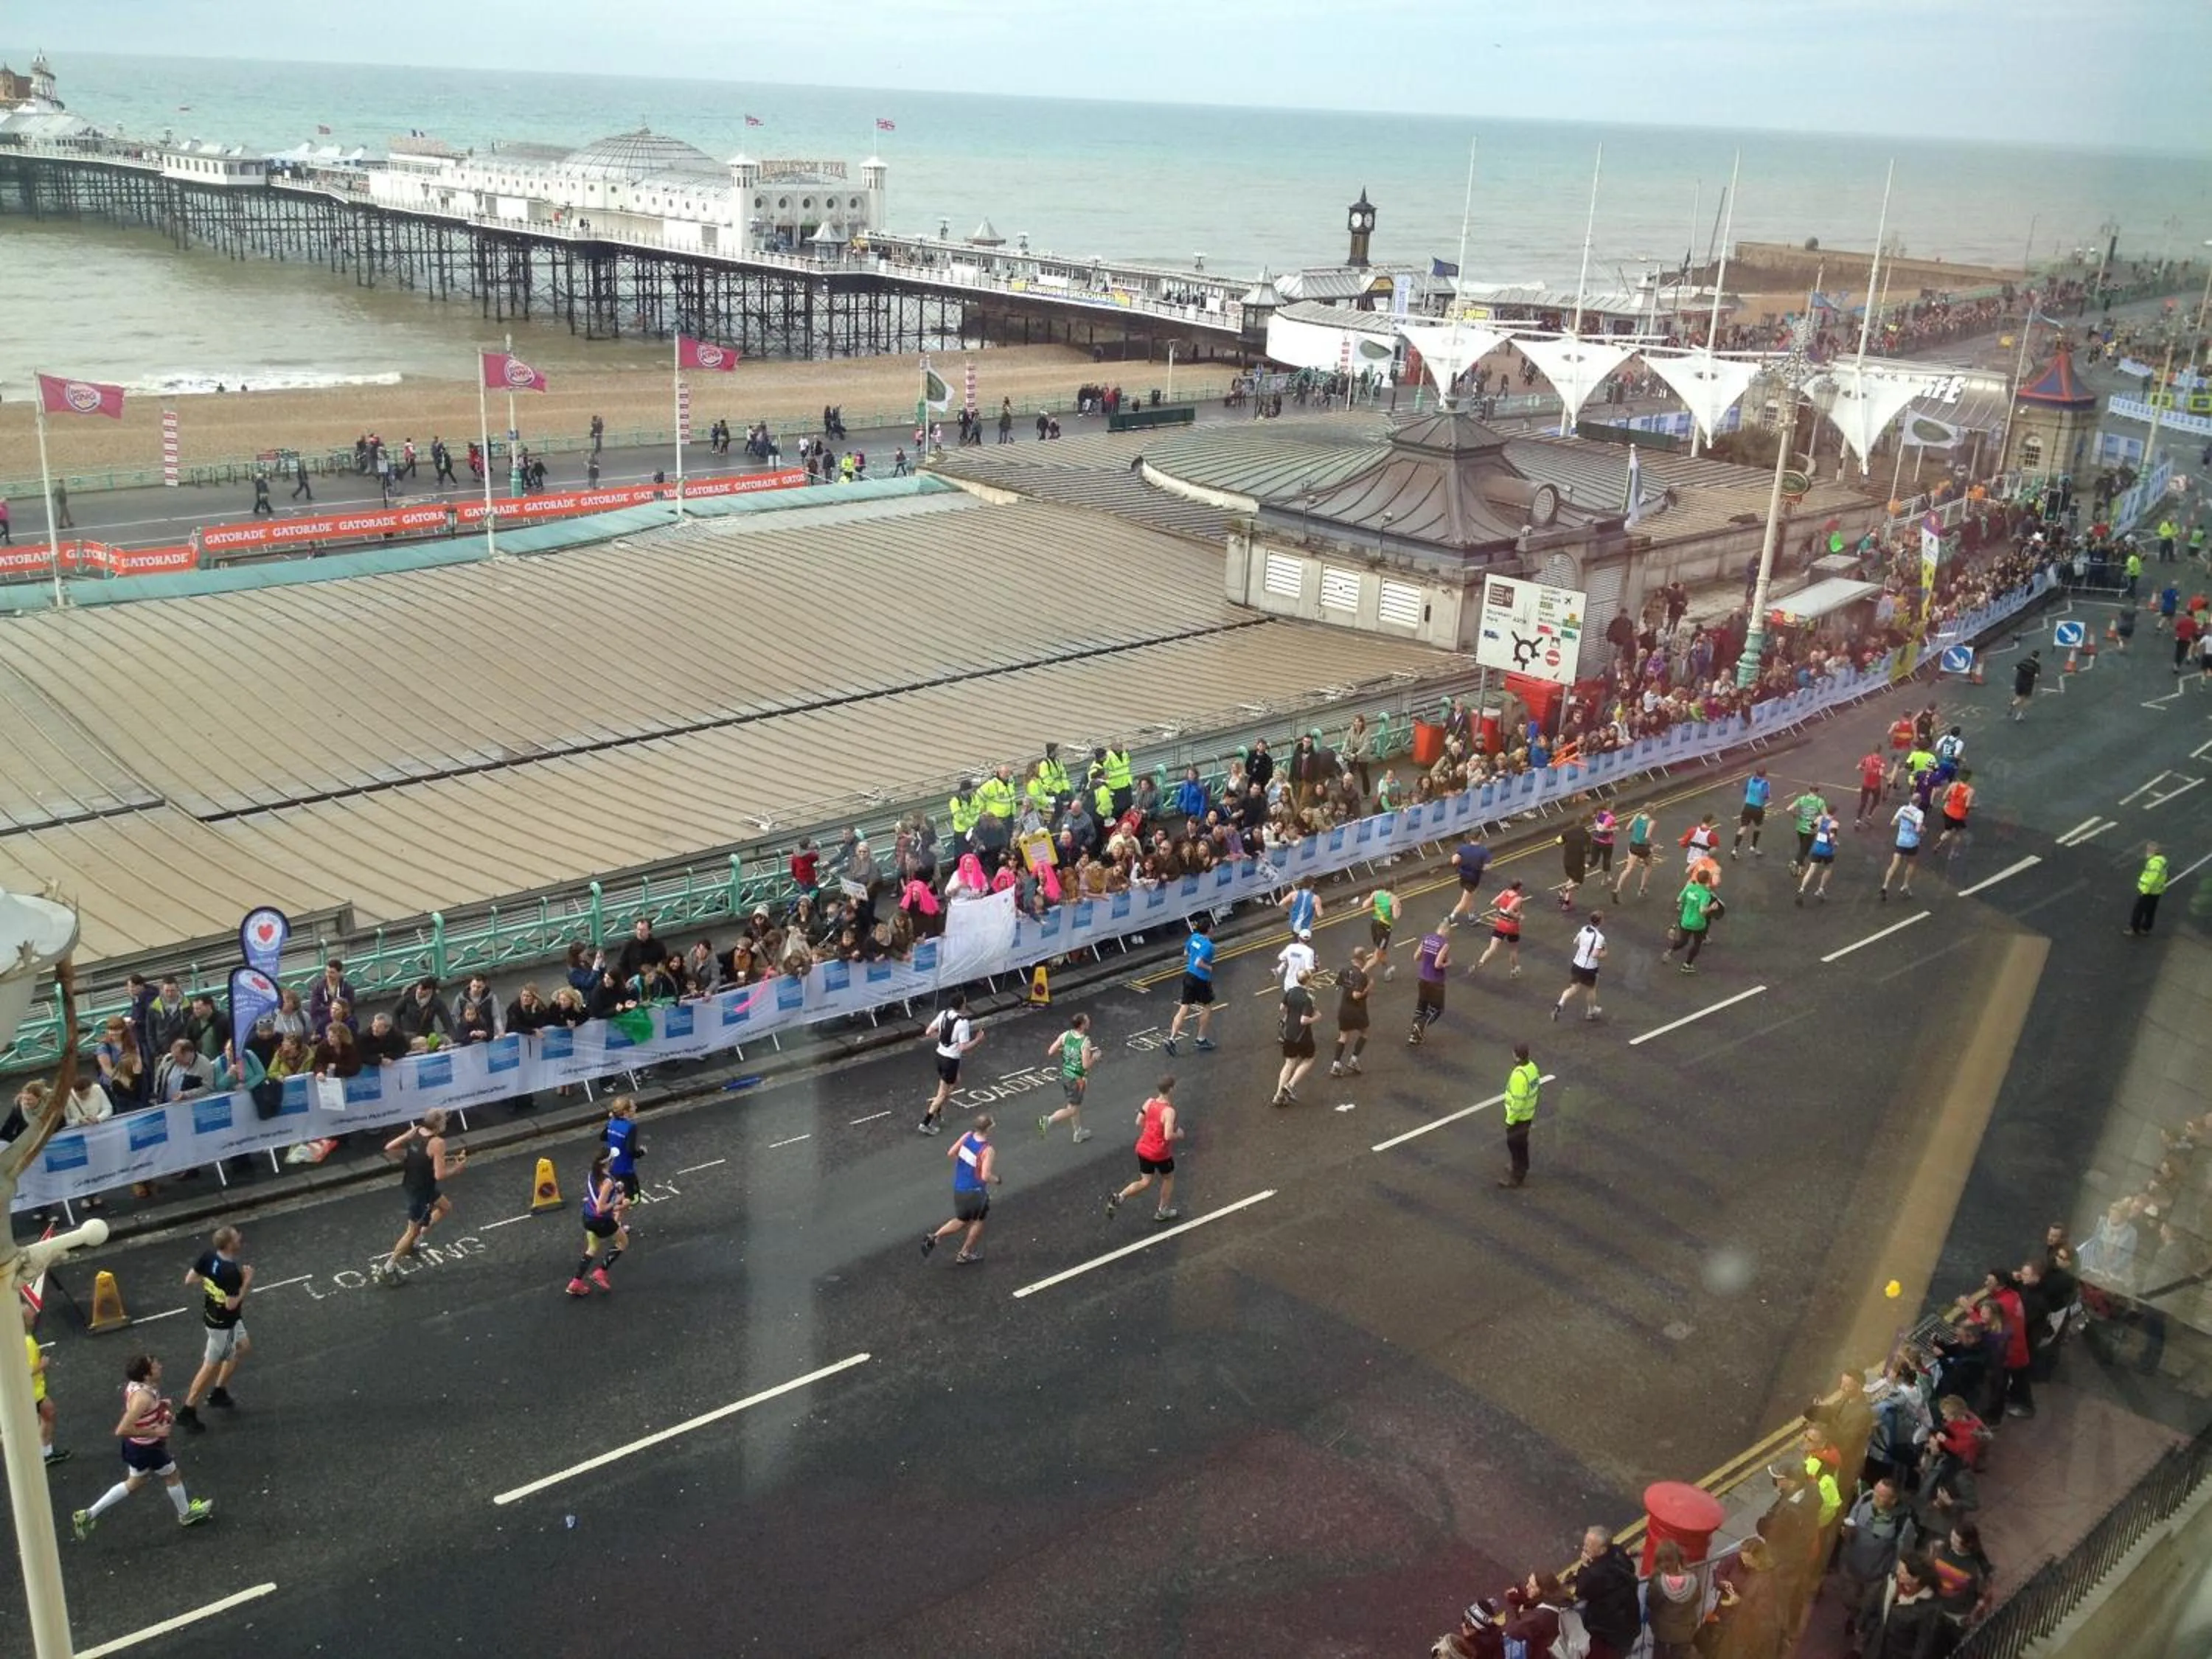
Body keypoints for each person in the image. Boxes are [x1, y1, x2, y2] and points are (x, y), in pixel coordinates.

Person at [71, 1355, 215, 1538]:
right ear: (147, 1375)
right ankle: (186, 1514)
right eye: (155, 1366)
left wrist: (161, 1408)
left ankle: (89, 1514)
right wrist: (157, 1432)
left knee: (135, 1482)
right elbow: (122, 1429)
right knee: (172, 1475)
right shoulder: (143, 1398)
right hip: (148, 1448)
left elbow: (142, 1415)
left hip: (136, 1448)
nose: (160, 1366)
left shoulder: (138, 1387)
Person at [369, 1110, 465, 1284]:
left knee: (445, 1207)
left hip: (413, 1184)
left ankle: (415, 1243)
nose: (446, 1122)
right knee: (411, 1231)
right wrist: (457, 1169)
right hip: (421, 1193)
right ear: (437, 1124)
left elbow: (389, 1148)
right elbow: (440, 1174)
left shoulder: (417, 1132)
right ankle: (388, 1269)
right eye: (444, 1119)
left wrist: (406, 1136)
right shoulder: (438, 1142)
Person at [175, 1225, 251, 1434]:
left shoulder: (209, 1257)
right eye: (237, 1237)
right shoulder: (231, 1273)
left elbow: (190, 1279)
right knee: (210, 1366)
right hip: (223, 1324)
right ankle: (188, 1409)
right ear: (229, 1245)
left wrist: (211, 1283)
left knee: (243, 1347)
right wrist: (246, 1281)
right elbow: (231, 1304)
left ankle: (219, 1392)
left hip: (218, 1317)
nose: (240, 1238)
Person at [922, 1113, 998, 1264]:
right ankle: (964, 1253)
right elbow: (985, 1176)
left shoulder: (967, 1136)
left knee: (962, 1220)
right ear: (988, 1129)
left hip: (960, 1188)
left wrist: (967, 1164)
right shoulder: (988, 1150)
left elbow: (951, 1153)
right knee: (978, 1221)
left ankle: (935, 1236)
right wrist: (998, 1180)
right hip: (976, 1192)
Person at [1105, 1076, 1183, 1222]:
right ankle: (1163, 1211)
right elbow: (1168, 1135)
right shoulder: (1169, 1111)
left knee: (1145, 1181)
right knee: (1168, 1178)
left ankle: (1120, 1197)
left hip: (1143, 1148)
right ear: (1171, 1089)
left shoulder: (1149, 1102)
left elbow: (1139, 1121)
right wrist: (1178, 1134)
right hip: (1160, 1153)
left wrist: (1151, 1130)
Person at [1569, 1526, 1641, 1659]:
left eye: (1589, 1545)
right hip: (1630, 1624)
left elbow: (1581, 1590)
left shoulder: (1595, 1574)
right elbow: (1631, 1567)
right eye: (1585, 1543)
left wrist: (1584, 1566)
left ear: (1602, 1550)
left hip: (1608, 1633)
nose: (1585, 1548)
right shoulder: (1618, 1551)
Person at [566, 1150, 630, 1296]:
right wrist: (618, 1201)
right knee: (623, 1242)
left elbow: (595, 1195)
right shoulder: (607, 1182)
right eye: (613, 1159)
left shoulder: (593, 1174)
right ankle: (600, 1272)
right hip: (601, 1221)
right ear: (609, 1162)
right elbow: (601, 1208)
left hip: (587, 1218)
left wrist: (616, 1191)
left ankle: (575, 1283)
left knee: (593, 1247)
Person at [919, 995, 981, 1135]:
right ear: (962, 1006)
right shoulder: (963, 1023)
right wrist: (978, 1040)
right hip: (950, 1061)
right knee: (942, 1094)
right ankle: (926, 1122)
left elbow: (928, 1032)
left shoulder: (943, 1014)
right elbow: (963, 1047)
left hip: (940, 1056)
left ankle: (937, 1109)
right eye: (965, 1002)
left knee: (955, 1081)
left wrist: (942, 1038)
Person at [1037, 1012, 1098, 1143]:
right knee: (1073, 1109)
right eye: (1087, 1020)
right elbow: (1086, 1065)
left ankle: (1078, 1132)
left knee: (1072, 1105)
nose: (1089, 1021)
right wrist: (1095, 1057)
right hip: (1077, 1079)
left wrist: (1066, 1051)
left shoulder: (1065, 1035)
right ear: (1082, 1025)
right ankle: (1048, 1120)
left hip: (1066, 1075)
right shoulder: (1085, 1042)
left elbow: (1051, 1051)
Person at [1162, 917, 1218, 1054]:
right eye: (1212, 926)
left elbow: (1186, 953)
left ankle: (1172, 1039)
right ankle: (1201, 1039)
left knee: (1184, 1008)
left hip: (1189, 976)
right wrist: (1208, 968)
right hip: (1201, 979)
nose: (1213, 928)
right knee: (1207, 1006)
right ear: (1209, 929)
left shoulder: (1194, 938)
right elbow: (1199, 962)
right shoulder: (1208, 945)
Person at [22, 1301, 66, 1465]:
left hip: (33, 1390)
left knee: (48, 1415)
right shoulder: (26, 1343)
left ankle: (45, 1453)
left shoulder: (22, 1338)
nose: (34, 1316)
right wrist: (42, 1365)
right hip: (32, 1392)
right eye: (30, 1315)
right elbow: (22, 1373)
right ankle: (45, 1454)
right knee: (48, 1415)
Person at [1644, 1539, 1703, 1659]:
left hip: (1663, 1631)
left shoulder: (1658, 1583)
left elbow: (1651, 1602)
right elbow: (1698, 1598)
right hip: (1685, 1630)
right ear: (1679, 1559)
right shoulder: (1692, 1580)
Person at [1274, 969, 1319, 1106]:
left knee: (1289, 1063)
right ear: (1309, 980)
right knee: (1309, 1058)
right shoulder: (1308, 998)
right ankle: (1290, 1085)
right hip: (1302, 1035)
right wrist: (1316, 1018)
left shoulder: (1291, 991)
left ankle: (1278, 1096)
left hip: (1288, 1033)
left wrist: (1292, 1011)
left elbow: (1282, 1007)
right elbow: (1304, 1020)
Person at [1660, 869, 1719, 973]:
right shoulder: (1705, 894)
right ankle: (1687, 965)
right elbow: (1702, 910)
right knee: (1697, 944)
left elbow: (1679, 899)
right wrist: (1712, 908)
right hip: (1698, 923)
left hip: (1685, 920)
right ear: (1707, 880)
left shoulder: (1689, 887)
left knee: (1683, 941)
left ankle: (1670, 951)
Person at [1554, 911, 1606, 1022]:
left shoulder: (1584, 929)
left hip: (1577, 964)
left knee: (1574, 988)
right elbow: (1595, 955)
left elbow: (1575, 941)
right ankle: (1591, 1011)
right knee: (1591, 989)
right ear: (1600, 921)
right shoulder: (1599, 937)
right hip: (1589, 968)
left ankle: (1560, 1003)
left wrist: (1584, 948)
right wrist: (1604, 953)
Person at [1500, 1043, 1540, 1188]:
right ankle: (1522, 1166)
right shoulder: (1532, 1068)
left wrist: (1510, 1120)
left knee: (1515, 1145)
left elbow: (1518, 1102)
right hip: (1528, 1115)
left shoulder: (1518, 1076)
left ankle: (1517, 1176)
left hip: (1518, 1118)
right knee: (1522, 1143)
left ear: (1516, 1056)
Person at [1330, 947, 1373, 1077]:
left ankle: (1336, 1064)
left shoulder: (1344, 970)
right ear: (1362, 959)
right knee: (1364, 1033)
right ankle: (1354, 1060)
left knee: (1343, 1036)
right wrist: (1368, 987)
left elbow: (1338, 983)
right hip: (1357, 1010)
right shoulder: (1361, 975)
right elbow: (1356, 995)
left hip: (1344, 1009)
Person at [1470, 880, 1526, 978]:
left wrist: (1501, 912)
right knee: (1513, 949)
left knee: (1492, 948)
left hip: (1501, 924)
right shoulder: (1518, 898)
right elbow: (1509, 910)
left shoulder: (1504, 892)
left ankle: (1481, 961)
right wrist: (1518, 916)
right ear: (1519, 887)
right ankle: (1514, 970)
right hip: (1512, 926)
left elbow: (1493, 902)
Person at [1409, 918, 1451, 1045]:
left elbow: (1416, 957)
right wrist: (1448, 963)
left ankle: (1414, 1036)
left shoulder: (1426, 938)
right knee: (1437, 1009)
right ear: (1446, 931)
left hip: (1423, 978)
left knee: (1420, 1008)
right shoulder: (1444, 944)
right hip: (1436, 981)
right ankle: (1420, 1026)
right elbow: (1438, 964)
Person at [1882, 797, 1925, 901]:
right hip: (1912, 843)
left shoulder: (1902, 809)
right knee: (1911, 863)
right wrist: (1923, 829)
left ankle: (1885, 885)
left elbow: (1893, 823)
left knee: (1894, 864)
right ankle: (1905, 884)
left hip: (1900, 841)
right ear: (1919, 802)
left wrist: (1903, 823)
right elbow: (1918, 829)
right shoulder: (1919, 813)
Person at [1797, 804, 1842, 904]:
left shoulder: (1820, 818)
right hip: (1827, 851)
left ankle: (1802, 889)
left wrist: (1817, 831)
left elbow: (1811, 827)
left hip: (1816, 848)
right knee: (1828, 868)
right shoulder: (1834, 823)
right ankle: (1820, 889)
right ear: (1835, 813)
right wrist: (1835, 843)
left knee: (1811, 870)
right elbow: (1832, 836)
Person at [602, 1093, 644, 1198]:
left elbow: (603, 1137)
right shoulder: (630, 1127)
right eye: (633, 1106)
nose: (636, 1107)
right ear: (626, 1112)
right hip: (625, 1170)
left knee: (617, 1197)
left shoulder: (612, 1122)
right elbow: (630, 1151)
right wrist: (642, 1152)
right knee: (631, 1199)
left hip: (611, 1166)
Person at [1447, 835, 1492, 925]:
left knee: (1470, 898)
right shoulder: (1483, 851)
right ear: (1480, 837)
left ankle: (1471, 917)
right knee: (1464, 901)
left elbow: (1454, 860)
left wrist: (1460, 865)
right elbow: (1487, 867)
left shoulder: (1463, 848)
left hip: (1463, 877)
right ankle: (1451, 917)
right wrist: (1479, 867)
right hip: (1473, 879)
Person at [2126, 841, 2169, 936]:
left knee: (2138, 910)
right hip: (2157, 891)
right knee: (2150, 911)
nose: (2147, 851)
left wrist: (2144, 891)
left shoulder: (2154, 863)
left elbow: (2151, 878)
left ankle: (2134, 928)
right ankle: (2146, 928)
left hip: (2148, 891)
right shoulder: (2162, 860)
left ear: (2154, 851)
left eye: (2149, 850)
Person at [1612, 807, 1655, 900]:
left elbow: (1628, 828)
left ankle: (1618, 888)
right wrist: (1653, 845)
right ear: (1652, 811)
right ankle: (1642, 889)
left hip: (1633, 845)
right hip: (1643, 848)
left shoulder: (1637, 816)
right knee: (1648, 866)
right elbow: (1647, 837)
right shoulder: (1651, 822)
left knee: (1628, 869)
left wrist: (1636, 832)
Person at [1733, 766, 1773, 858]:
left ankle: (1735, 850)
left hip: (1747, 806)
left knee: (1743, 828)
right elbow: (1765, 795)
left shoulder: (1750, 780)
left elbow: (1745, 791)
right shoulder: (1765, 783)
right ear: (1765, 775)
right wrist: (1769, 795)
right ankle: (1753, 847)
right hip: (1758, 808)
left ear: (1756, 773)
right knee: (1758, 827)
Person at [1787, 785, 1828, 874]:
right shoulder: (1820, 802)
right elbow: (1826, 817)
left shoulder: (1802, 799)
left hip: (1800, 827)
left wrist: (1795, 815)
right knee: (1805, 849)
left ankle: (1801, 868)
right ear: (1818, 791)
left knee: (1803, 847)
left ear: (1809, 790)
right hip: (1811, 829)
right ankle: (1795, 862)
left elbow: (1789, 809)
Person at [1556, 814, 1592, 911]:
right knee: (1579, 882)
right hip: (1578, 862)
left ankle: (1566, 903)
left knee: (1572, 879)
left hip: (1567, 860)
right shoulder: (1586, 834)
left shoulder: (1566, 831)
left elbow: (1558, 842)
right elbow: (1589, 850)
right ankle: (1564, 889)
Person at [1367, 884, 1398, 980]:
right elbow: (1396, 916)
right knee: (1377, 956)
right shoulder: (1394, 899)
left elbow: (1364, 905)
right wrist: (1399, 907)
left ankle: (1387, 971)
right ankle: (1360, 974)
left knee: (1382, 951)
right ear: (1394, 887)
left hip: (1374, 925)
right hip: (1384, 929)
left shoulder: (1376, 893)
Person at [2009, 650, 2040, 720]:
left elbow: (2014, 668)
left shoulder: (2024, 661)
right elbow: (2036, 676)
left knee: (2019, 696)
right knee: (2024, 699)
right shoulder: (2036, 665)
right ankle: (2018, 712)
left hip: (2019, 681)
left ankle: (2016, 705)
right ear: (2037, 657)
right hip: (2028, 683)